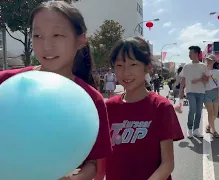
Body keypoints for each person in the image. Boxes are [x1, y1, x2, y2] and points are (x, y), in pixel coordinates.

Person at [0, 2, 112, 179]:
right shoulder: (6, 82)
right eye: (37, 35)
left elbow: (94, 163)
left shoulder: (91, 100)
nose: (47, 46)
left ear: (80, 40)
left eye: (57, 35)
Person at [104, 36, 184, 180]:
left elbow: (167, 164)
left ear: (147, 67)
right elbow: (102, 157)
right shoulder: (108, 107)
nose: (125, 72)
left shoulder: (161, 107)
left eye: (133, 65)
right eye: (119, 65)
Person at [179, 46, 209, 138]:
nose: (189, 55)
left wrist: (199, 79)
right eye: (189, 53)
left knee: (199, 111)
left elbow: (207, 79)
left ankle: (196, 130)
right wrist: (181, 91)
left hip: (201, 91)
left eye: (191, 53)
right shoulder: (186, 66)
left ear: (196, 54)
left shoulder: (203, 66)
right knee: (192, 109)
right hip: (190, 91)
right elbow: (183, 79)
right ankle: (189, 128)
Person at [204, 54, 219, 138]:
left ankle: (209, 125)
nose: (208, 61)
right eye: (207, 60)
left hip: (215, 92)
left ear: (214, 62)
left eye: (210, 60)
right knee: (210, 112)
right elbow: (202, 82)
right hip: (206, 93)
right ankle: (214, 130)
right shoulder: (203, 70)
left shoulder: (217, 71)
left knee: (215, 113)